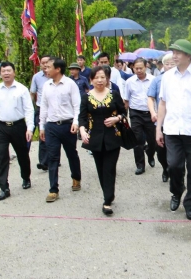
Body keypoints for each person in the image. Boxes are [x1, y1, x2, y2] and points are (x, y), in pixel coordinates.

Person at [156, 40, 191, 221]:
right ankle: (176, 191)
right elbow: (163, 103)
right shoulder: (167, 77)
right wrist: (158, 128)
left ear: (188, 55)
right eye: (173, 52)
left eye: (178, 52)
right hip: (172, 130)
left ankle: (190, 203)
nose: (174, 55)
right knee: (174, 165)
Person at [79, 66, 128, 216]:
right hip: (95, 139)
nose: (100, 80)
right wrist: (82, 130)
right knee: (100, 169)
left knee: (109, 168)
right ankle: (109, 193)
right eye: (96, 78)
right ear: (91, 80)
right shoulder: (86, 97)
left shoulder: (114, 94)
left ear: (107, 79)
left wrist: (117, 118)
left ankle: (107, 201)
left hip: (113, 137)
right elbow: (82, 117)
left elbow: (123, 112)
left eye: (103, 77)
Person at [0, 62, 34, 201]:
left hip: (18, 126)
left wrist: (30, 128)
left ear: (14, 73)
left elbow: (29, 110)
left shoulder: (22, 89)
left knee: (22, 154)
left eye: (8, 70)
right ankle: (4, 188)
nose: (6, 73)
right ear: (0, 73)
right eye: (3, 71)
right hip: (1, 127)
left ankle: (26, 177)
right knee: (1, 156)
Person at [39, 57, 82, 202]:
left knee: (71, 154)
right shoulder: (46, 86)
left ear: (57, 69)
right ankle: (53, 189)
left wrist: (76, 122)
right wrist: (42, 126)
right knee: (53, 157)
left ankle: (76, 177)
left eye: (49, 67)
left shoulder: (70, 84)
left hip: (67, 125)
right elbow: (44, 106)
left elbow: (77, 105)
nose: (46, 69)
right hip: (51, 126)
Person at [123, 57, 158, 175]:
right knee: (137, 140)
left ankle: (150, 152)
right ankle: (140, 165)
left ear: (146, 67)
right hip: (135, 113)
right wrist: (124, 115)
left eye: (140, 68)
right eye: (136, 68)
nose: (138, 70)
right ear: (133, 68)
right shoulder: (129, 82)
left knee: (152, 140)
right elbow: (126, 100)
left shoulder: (154, 80)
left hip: (150, 114)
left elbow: (157, 99)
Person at [147, 53, 175, 182]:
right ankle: (165, 168)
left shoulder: (181, 79)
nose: (170, 66)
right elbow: (150, 98)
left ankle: (175, 170)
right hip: (161, 120)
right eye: (167, 64)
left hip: (176, 121)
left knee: (175, 150)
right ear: (163, 65)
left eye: (172, 63)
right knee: (160, 150)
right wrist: (153, 112)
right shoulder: (157, 80)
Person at [30, 55, 51, 169]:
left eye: (47, 62)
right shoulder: (36, 77)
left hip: (53, 110)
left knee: (52, 135)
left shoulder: (56, 76)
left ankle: (53, 158)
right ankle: (43, 161)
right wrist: (30, 108)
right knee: (42, 135)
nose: (45, 65)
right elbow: (32, 93)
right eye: (42, 63)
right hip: (40, 108)